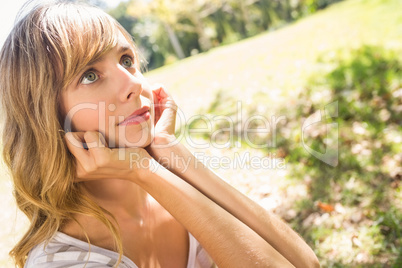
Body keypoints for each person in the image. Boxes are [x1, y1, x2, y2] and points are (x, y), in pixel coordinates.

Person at [0, 1, 320, 267]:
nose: (133, 84)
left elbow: (306, 264)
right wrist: (145, 170)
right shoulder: (65, 261)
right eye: (90, 75)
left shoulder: (172, 191)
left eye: (126, 59)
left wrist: (172, 155)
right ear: (46, 117)